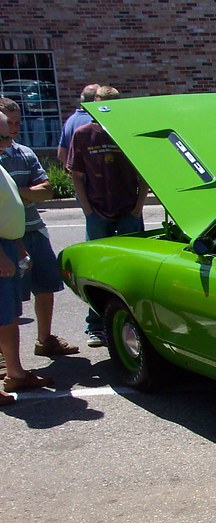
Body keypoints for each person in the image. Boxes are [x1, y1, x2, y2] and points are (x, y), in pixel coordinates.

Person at [66, 86, 149, 347]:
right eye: (102, 105)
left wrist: (137, 208)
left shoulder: (127, 132)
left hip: (127, 211)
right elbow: (76, 175)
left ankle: (134, 322)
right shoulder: (83, 135)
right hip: (98, 212)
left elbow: (145, 174)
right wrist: (88, 210)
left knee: (130, 268)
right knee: (96, 269)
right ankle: (96, 325)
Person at [0, 98, 79, 359]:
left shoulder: (25, 153)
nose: (13, 128)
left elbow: (46, 191)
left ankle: (45, 340)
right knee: (8, 298)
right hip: (7, 236)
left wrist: (15, 194)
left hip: (34, 230)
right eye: (7, 123)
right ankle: (6, 358)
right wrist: (26, 194)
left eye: (17, 122)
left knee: (46, 285)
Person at [1, 113, 51, 405]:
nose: (9, 143)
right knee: (2, 316)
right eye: (4, 137)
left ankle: (16, 373)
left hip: (9, 244)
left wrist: (17, 247)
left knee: (9, 316)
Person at [56, 83, 99, 165]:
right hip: (95, 175)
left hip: (76, 175)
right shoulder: (95, 121)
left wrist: (73, 171)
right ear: (96, 100)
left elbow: (61, 154)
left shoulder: (70, 120)